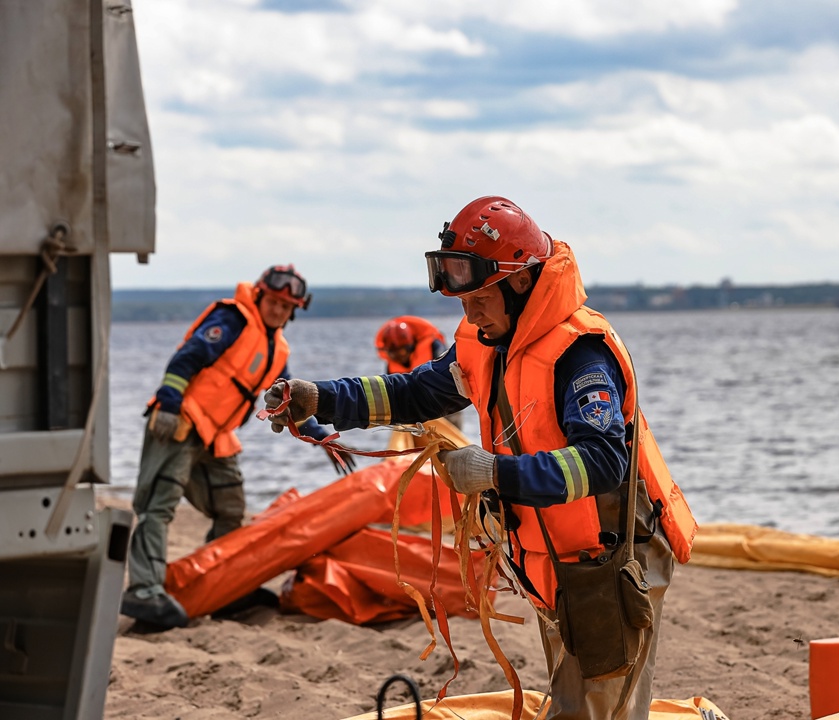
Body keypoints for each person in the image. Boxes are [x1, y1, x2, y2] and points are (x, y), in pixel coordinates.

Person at [263, 198, 696, 719]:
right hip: (560, 563)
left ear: (519, 282)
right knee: (576, 699)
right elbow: (416, 393)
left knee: (598, 708)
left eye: (480, 299)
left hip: (612, 561)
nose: (469, 313)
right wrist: (321, 399)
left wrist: (495, 473)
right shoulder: (487, 340)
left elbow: (603, 462)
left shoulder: (581, 354)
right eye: (462, 301)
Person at [121, 264, 354, 629]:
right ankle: (144, 591)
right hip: (181, 422)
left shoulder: (276, 349)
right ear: (260, 296)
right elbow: (186, 358)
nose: (278, 310)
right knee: (157, 506)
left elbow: (285, 400)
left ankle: (222, 588)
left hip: (215, 436)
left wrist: (319, 436)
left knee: (230, 508)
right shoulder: (231, 320)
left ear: (293, 311)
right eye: (274, 301)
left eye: (286, 306)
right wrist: (167, 404)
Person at [375, 316, 448, 374]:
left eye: (401, 352)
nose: (397, 357)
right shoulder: (391, 365)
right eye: (392, 353)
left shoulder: (434, 346)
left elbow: (446, 368)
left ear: (410, 347)